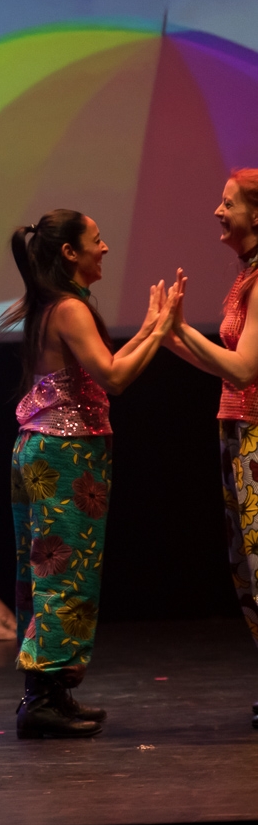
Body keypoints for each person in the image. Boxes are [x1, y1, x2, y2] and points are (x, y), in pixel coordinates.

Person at [0, 209, 178, 739]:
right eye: (97, 240)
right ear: (70, 252)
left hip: (49, 451)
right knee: (62, 574)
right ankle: (41, 700)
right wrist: (161, 330)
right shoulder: (69, 308)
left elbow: (104, 367)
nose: (105, 248)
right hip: (63, 455)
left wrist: (151, 329)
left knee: (51, 572)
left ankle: (52, 692)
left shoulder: (56, 305)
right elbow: (115, 377)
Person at [159, 168, 258, 727]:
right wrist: (169, 334)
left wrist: (182, 330)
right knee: (246, 569)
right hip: (237, 431)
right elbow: (226, 370)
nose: (218, 212)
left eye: (228, 203)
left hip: (256, 437)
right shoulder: (246, 274)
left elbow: (243, 369)